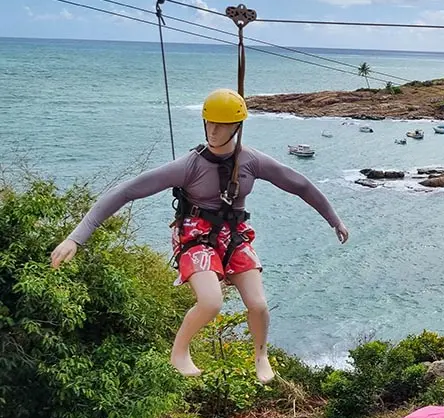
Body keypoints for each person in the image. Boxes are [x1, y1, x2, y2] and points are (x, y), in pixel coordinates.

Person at [49, 88, 349, 383]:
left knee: (257, 304)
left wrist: (333, 220)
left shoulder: (251, 161)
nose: (213, 130)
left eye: (221, 124)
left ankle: (261, 355)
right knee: (210, 301)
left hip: (234, 234)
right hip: (196, 234)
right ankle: (179, 351)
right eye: (209, 123)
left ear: (237, 127)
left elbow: (300, 185)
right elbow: (126, 191)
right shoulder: (189, 165)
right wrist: (76, 237)